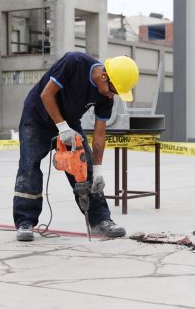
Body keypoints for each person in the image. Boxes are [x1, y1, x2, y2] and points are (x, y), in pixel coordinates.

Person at [13, 51, 139, 241]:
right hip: (37, 116)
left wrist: (97, 170)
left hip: (69, 121)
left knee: (83, 164)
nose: (112, 95)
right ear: (104, 76)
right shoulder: (74, 63)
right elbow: (46, 94)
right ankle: (25, 222)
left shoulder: (106, 97)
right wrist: (62, 128)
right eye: (113, 90)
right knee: (29, 166)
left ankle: (101, 220)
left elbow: (99, 134)